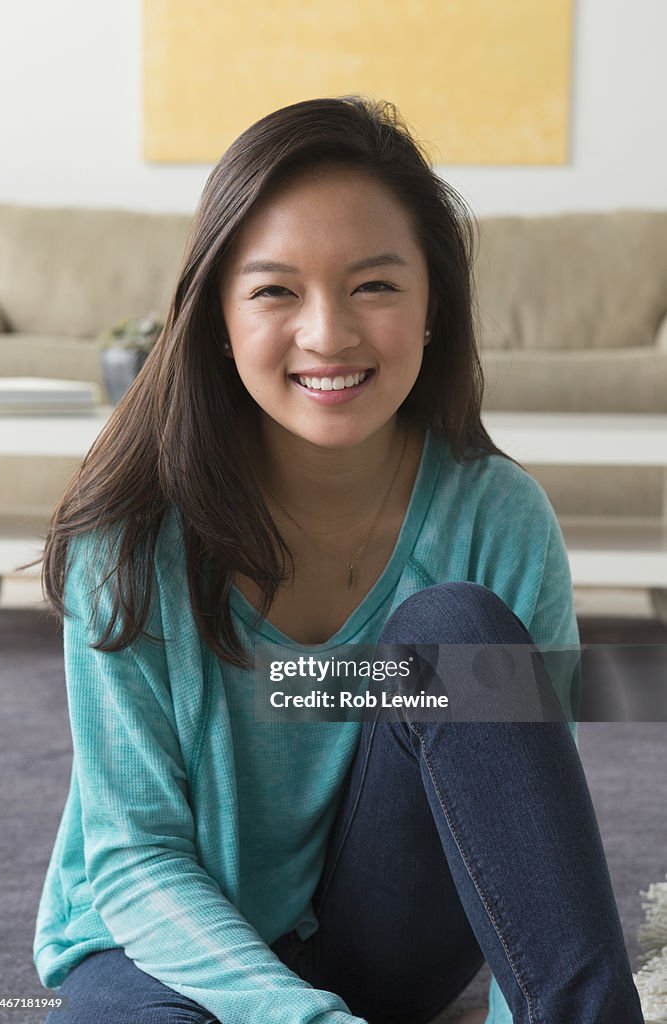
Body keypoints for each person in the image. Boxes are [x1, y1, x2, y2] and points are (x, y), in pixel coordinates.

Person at [32, 97, 644, 1024]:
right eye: (276, 290)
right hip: (161, 946)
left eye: (374, 285)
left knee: (456, 631)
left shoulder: (494, 516)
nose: (328, 335)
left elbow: (524, 837)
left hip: (381, 942)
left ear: (433, 304)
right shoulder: (125, 533)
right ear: (216, 318)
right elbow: (136, 856)